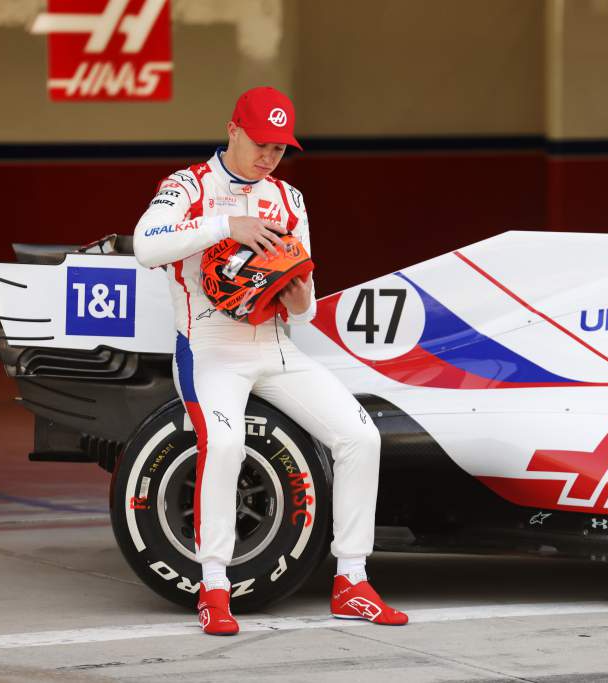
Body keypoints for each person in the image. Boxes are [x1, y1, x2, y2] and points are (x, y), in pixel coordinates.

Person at [133, 86, 407, 635]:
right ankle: (213, 586)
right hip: (208, 347)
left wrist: (297, 294)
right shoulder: (188, 185)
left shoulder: (289, 199)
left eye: (280, 149)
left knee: (361, 437)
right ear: (233, 129)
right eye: (261, 143)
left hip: (276, 344)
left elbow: (304, 304)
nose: (269, 157)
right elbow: (145, 244)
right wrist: (224, 226)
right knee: (226, 443)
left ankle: (352, 580)